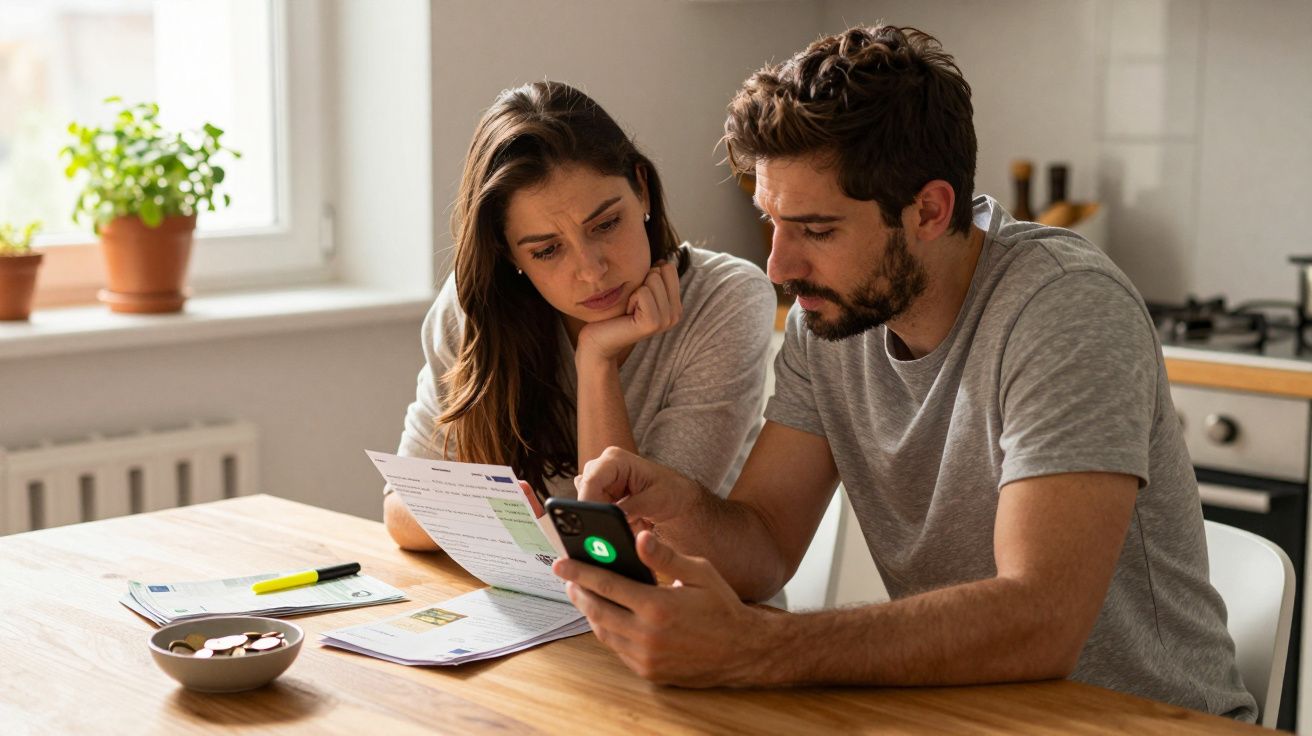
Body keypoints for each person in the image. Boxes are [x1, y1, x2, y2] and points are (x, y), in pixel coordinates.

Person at [553, 26, 1257, 722]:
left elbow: (1041, 619)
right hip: (965, 715)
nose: (779, 266)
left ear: (929, 210)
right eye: (772, 223)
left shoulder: (1065, 307)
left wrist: (759, 648)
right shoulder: (829, 319)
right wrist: (681, 506)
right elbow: (764, 542)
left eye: (817, 230)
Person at [384, 81, 776, 551]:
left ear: (643, 190)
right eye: (547, 250)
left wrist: (596, 358)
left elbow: (637, 538)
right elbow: (401, 511)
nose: (591, 271)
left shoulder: (726, 299)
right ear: (509, 255)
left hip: (697, 609)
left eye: (606, 224)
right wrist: (518, 527)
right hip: (539, 608)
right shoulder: (477, 308)